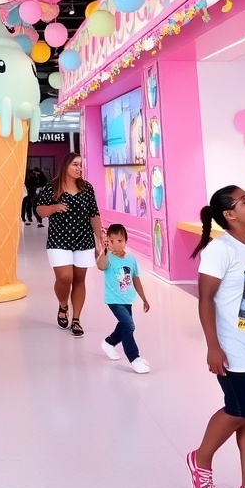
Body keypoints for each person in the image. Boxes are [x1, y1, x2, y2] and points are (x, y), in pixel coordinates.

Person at [186, 186, 245, 488]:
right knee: (238, 411)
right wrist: (213, 347)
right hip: (231, 348)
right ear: (229, 215)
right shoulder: (220, 250)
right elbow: (205, 299)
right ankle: (200, 459)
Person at [36, 152, 103, 338]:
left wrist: (99, 238)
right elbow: (40, 211)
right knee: (65, 277)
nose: (79, 168)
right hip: (58, 240)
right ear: (65, 165)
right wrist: (54, 208)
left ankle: (76, 320)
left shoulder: (87, 188)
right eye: (75, 164)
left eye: (81, 165)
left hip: (84, 240)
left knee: (80, 279)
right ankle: (63, 304)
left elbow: (94, 214)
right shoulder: (52, 187)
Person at [96, 223, 150, 373]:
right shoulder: (108, 257)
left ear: (126, 240)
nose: (116, 245)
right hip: (113, 300)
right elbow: (100, 266)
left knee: (124, 325)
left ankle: (108, 343)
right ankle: (134, 358)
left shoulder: (131, 260)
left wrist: (144, 298)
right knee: (129, 326)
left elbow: (136, 279)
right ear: (108, 241)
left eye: (119, 241)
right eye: (112, 241)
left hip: (127, 299)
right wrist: (105, 251)